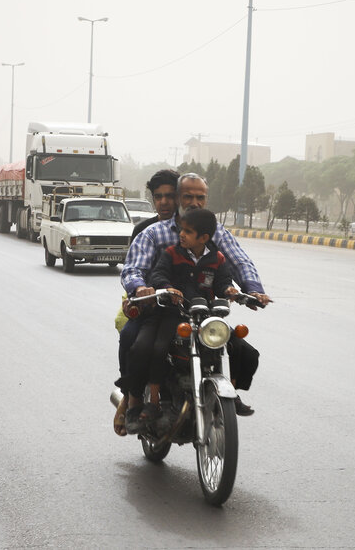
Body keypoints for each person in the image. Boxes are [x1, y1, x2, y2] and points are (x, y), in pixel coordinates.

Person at [119, 173, 270, 432]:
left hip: (203, 313)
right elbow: (133, 269)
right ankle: (132, 402)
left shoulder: (215, 233)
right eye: (188, 196)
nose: (194, 202)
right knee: (135, 342)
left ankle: (228, 394)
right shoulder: (155, 234)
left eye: (200, 197)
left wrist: (251, 290)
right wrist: (141, 288)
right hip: (161, 310)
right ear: (178, 198)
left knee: (243, 350)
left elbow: (238, 262)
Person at [125, 209, 239, 433]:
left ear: (204, 238)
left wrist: (230, 290)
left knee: (240, 346)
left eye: (188, 231)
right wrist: (167, 288)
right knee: (153, 348)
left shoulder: (217, 258)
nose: (182, 235)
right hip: (171, 313)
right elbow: (157, 275)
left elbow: (224, 281)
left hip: (205, 317)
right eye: (181, 230)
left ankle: (231, 395)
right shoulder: (171, 252)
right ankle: (151, 401)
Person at [112, 168, 179, 436]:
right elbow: (133, 268)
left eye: (170, 196)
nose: (164, 202)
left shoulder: (193, 227)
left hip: (187, 307)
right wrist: (139, 290)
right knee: (129, 337)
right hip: (151, 305)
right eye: (159, 196)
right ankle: (130, 397)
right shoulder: (144, 230)